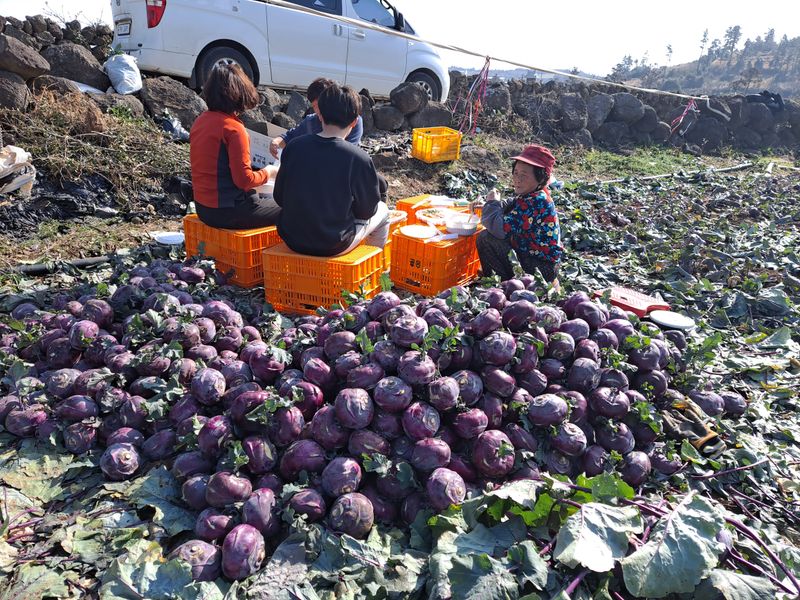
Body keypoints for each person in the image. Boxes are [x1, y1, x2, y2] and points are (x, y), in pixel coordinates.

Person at [273, 83, 389, 257]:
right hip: (333, 244)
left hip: (291, 238)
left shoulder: (294, 146)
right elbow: (367, 211)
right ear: (354, 122)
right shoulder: (358, 158)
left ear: (320, 115)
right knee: (384, 211)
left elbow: (279, 198)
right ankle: (376, 269)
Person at [189, 64, 280, 229]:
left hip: (203, 208)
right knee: (293, 208)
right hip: (228, 212)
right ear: (240, 95)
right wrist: (269, 172)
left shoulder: (200, 121)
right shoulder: (234, 129)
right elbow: (244, 181)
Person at [476, 144, 563, 283]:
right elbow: (511, 203)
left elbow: (499, 229)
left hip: (540, 268)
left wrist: (492, 203)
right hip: (536, 259)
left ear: (541, 178)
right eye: (516, 173)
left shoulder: (536, 201)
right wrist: (491, 205)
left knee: (486, 238)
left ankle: (501, 283)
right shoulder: (533, 194)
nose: (518, 179)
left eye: (524, 175)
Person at [269, 77, 364, 159]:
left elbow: (347, 154)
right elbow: (290, 136)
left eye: (320, 105)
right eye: (314, 106)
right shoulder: (311, 121)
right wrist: (276, 142)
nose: (318, 111)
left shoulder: (350, 120)